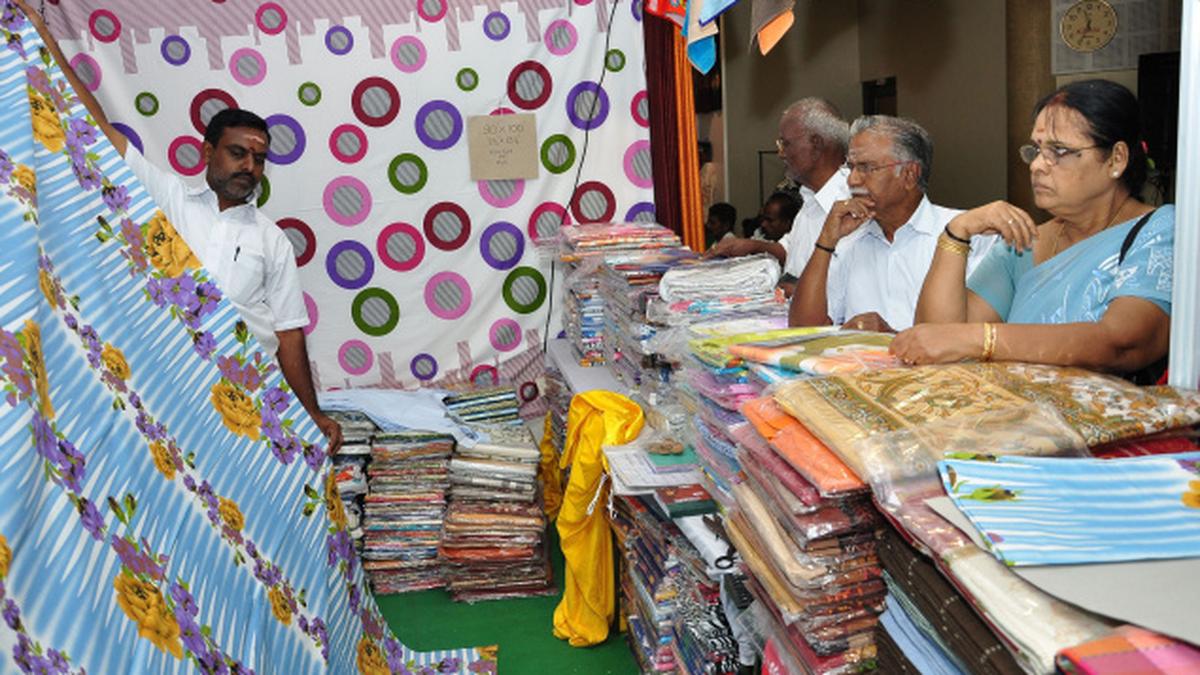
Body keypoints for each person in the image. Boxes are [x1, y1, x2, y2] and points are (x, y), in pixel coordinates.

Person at [17, 1, 343, 450]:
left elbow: (288, 333)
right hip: (166, 393)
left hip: (241, 404)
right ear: (207, 153)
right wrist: (42, 35)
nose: (250, 165)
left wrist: (311, 414)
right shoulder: (164, 197)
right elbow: (96, 127)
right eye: (238, 153)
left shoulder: (272, 241)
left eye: (260, 158)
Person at [892, 79, 1172, 378]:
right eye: (1036, 150)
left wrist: (981, 340)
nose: (1037, 165)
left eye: (1059, 150)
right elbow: (939, 340)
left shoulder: (1159, 230)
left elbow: (1123, 343)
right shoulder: (1024, 243)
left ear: (1116, 159)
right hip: (1019, 418)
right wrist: (956, 232)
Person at [789, 115, 994, 332]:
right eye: (851, 167)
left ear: (909, 174)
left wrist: (891, 338)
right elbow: (803, 330)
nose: (852, 180)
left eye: (867, 167)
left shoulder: (967, 236)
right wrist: (825, 241)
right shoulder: (850, 240)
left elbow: (973, 338)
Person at [706, 98, 851, 281]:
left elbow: (842, 288)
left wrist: (793, 290)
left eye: (786, 144)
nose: (781, 153)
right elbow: (791, 250)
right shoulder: (810, 195)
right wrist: (751, 246)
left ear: (816, 144)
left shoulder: (850, 204)